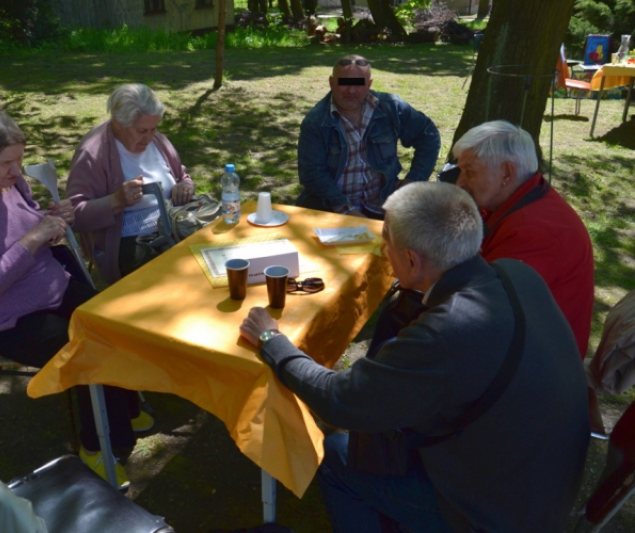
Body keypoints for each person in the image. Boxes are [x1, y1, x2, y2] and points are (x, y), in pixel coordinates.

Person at [239, 182, 589, 532]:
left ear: (410, 259)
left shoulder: (449, 330)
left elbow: (340, 400)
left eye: (386, 244)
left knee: (335, 456)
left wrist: (272, 340)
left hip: (496, 515)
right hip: (546, 483)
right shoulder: (517, 273)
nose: (384, 251)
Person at [0, 105, 150, 488]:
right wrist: (33, 237)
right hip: (5, 317)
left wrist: (51, 218)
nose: (17, 172)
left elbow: (26, 219)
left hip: (48, 285)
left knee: (112, 320)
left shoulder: (11, 181)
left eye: (20, 160)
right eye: (6, 163)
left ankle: (123, 408)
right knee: (87, 348)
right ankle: (97, 447)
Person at [452, 121, 603, 433]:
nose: (460, 182)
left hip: (533, 374)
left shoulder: (535, 231)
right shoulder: (522, 197)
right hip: (527, 348)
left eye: (470, 171)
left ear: (506, 173)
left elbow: (482, 314)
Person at [67, 83, 195, 286]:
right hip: (126, 238)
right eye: (142, 131)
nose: (149, 138)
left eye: (154, 129)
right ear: (118, 124)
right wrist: (116, 200)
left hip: (173, 223)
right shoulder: (93, 153)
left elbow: (182, 176)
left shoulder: (158, 141)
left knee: (206, 257)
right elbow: (75, 215)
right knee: (167, 278)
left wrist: (184, 186)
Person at [296, 54, 441, 219]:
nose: (351, 90)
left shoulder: (390, 107)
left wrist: (413, 181)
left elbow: (428, 135)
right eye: (344, 83)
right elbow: (313, 174)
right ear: (331, 82)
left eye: (358, 84)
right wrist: (347, 211)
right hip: (331, 207)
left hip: (382, 204)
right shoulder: (316, 121)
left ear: (369, 84)